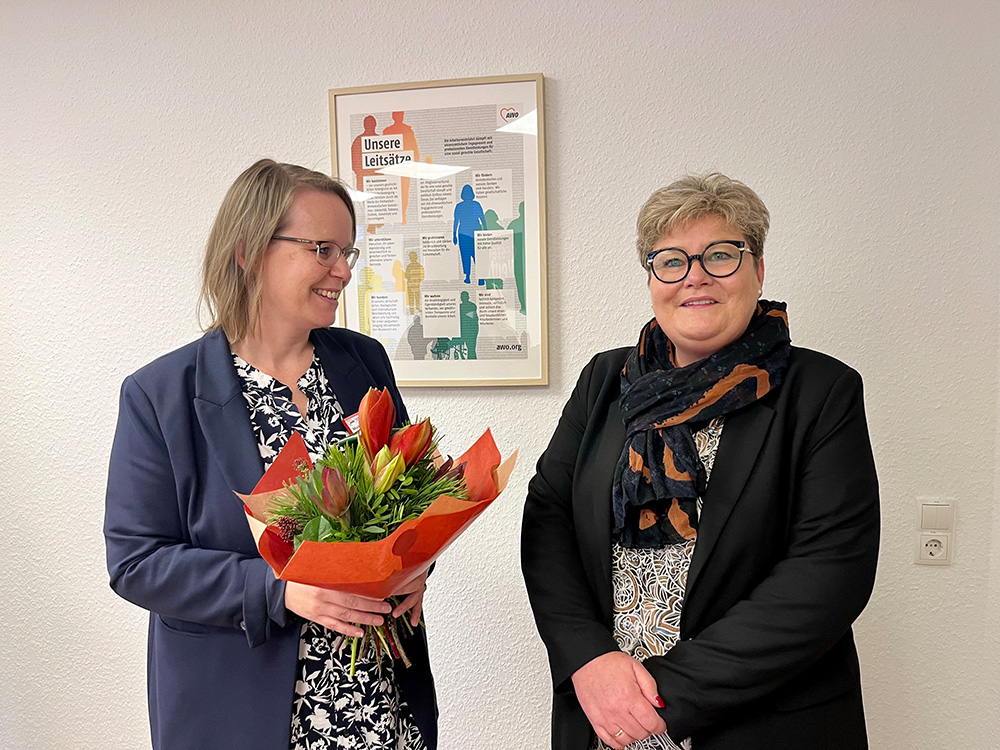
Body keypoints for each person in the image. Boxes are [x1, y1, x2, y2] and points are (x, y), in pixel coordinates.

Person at [521, 173, 879, 750]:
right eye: (671, 261)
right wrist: (588, 660)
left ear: (758, 270)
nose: (695, 277)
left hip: (761, 722)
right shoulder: (604, 382)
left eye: (721, 255)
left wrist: (662, 694)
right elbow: (548, 522)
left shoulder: (821, 390)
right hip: (605, 715)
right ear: (652, 279)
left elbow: (829, 571)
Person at [104, 159, 437, 750]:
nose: (342, 271)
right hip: (238, 711)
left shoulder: (362, 362)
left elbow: (412, 504)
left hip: (380, 706)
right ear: (249, 251)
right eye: (323, 250)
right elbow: (136, 562)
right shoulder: (161, 394)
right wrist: (279, 590)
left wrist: (414, 571)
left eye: (348, 253)